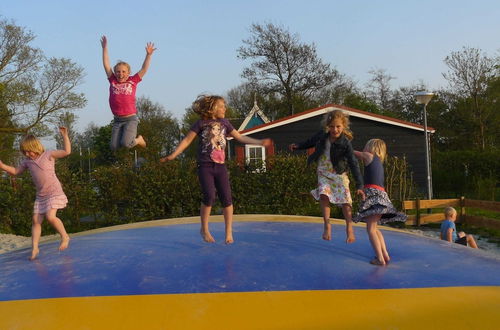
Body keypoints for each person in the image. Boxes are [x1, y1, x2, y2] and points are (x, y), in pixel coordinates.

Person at [160, 95, 272, 244]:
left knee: (227, 198)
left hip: (220, 166)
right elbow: (187, 140)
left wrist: (259, 142)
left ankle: (228, 232)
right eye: (222, 106)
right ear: (213, 108)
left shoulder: (225, 123)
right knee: (209, 196)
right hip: (205, 166)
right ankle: (204, 229)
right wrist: (173, 155)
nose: (225, 108)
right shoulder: (200, 124)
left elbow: (240, 137)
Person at [289, 110, 365, 244]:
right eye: (332, 127)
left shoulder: (345, 142)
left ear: (343, 126)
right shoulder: (322, 136)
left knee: (346, 201)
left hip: (339, 174)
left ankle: (349, 227)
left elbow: (353, 162)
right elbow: (310, 142)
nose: (334, 130)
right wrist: (298, 146)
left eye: (338, 127)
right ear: (327, 126)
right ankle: (327, 225)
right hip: (323, 171)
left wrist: (360, 185)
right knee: (324, 195)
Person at [0, 127, 72, 260]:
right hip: (41, 195)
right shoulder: (27, 162)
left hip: (54, 192)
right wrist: (3, 166)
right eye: (24, 152)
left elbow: (67, 152)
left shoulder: (48, 154)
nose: (27, 154)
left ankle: (65, 236)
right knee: (35, 220)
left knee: (50, 217)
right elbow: (16, 171)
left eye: (29, 151)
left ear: (35, 147)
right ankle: (34, 248)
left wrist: (65, 135)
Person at [353, 139, 407, 266]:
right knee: (375, 229)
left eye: (365, 146)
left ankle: (380, 258)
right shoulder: (378, 162)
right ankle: (385, 255)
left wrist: (343, 147)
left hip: (374, 196)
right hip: (382, 195)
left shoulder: (369, 156)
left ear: (371, 148)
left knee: (370, 229)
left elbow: (356, 153)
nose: (364, 149)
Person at [100, 35, 156, 150]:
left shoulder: (133, 80)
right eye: (118, 72)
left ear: (128, 72)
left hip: (130, 119)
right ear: (115, 73)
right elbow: (106, 65)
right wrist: (105, 48)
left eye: (123, 72)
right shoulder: (113, 80)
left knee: (126, 143)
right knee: (113, 146)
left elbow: (144, 69)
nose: (121, 74)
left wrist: (148, 55)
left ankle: (139, 140)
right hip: (117, 119)